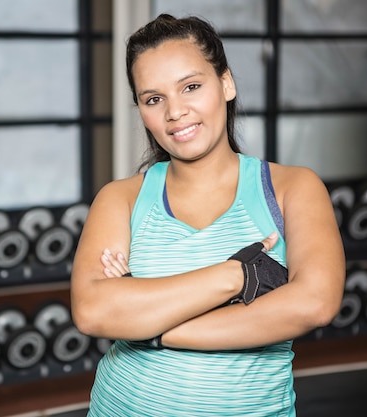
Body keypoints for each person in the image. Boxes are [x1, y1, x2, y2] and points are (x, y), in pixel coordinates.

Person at [70, 13, 345, 416]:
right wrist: (236, 275)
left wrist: (151, 327)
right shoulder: (121, 198)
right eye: (153, 98)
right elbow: (94, 311)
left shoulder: (292, 188)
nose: (175, 112)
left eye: (191, 86)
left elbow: (314, 303)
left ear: (226, 83)